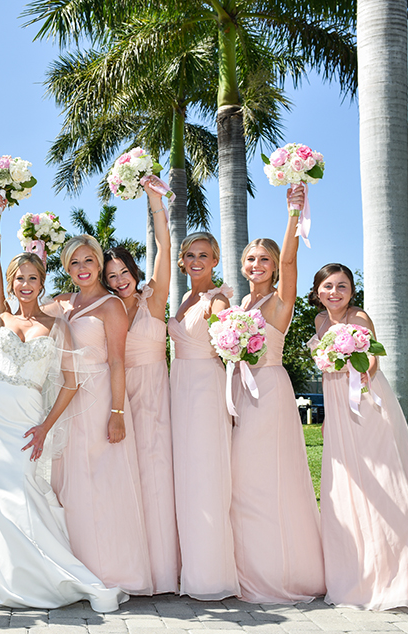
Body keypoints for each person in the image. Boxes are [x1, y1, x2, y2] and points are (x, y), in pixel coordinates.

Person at [0, 207, 127, 612]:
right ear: (11, 282)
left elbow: (72, 384)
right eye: (19, 278)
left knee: (20, 489)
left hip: (25, 417)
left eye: (33, 278)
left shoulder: (59, 325)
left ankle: (37, 571)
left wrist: (44, 426)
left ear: (42, 283)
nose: (25, 284)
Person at [308, 263, 408, 610]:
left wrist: (350, 358)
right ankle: (357, 575)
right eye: (327, 287)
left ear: (352, 291)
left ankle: (400, 575)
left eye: (342, 286)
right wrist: (327, 415)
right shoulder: (320, 323)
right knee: (347, 487)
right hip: (338, 408)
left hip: (366, 403)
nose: (334, 293)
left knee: (382, 483)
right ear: (317, 291)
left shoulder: (359, 316)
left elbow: (373, 363)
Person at [229, 184, 325, 604]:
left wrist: (292, 212)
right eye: (251, 259)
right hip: (238, 393)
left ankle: (277, 569)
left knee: (266, 477)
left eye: (264, 259)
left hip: (268, 390)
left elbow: (291, 258)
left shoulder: (279, 301)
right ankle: (244, 564)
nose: (258, 264)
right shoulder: (238, 304)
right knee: (240, 480)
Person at [48, 235, 153, 595]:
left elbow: (118, 361)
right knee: (70, 484)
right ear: (66, 267)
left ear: (98, 265)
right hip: (66, 402)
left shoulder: (111, 306)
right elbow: (19, 309)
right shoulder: (63, 303)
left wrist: (117, 412)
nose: (82, 269)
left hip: (100, 399)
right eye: (74, 263)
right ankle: (76, 567)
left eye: (88, 262)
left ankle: (112, 572)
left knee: (102, 483)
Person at [102, 182, 178, 594]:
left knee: (155, 475)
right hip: (119, 395)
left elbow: (164, 249)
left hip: (153, 394)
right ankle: (129, 562)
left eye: (124, 273)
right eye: (111, 276)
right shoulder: (107, 307)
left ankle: (162, 569)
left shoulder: (154, 298)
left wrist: (155, 202)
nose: (119, 281)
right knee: (125, 477)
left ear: (134, 271)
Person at [167, 232, 239, 601]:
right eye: (191, 255)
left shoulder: (218, 300)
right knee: (185, 477)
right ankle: (188, 566)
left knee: (205, 477)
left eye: (204, 255)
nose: (197, 261)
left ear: (215, 260)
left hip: (204, 391)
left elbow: (233, 349)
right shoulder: (185, 298)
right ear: (181, 260)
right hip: (178, 387)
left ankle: (209, 576)